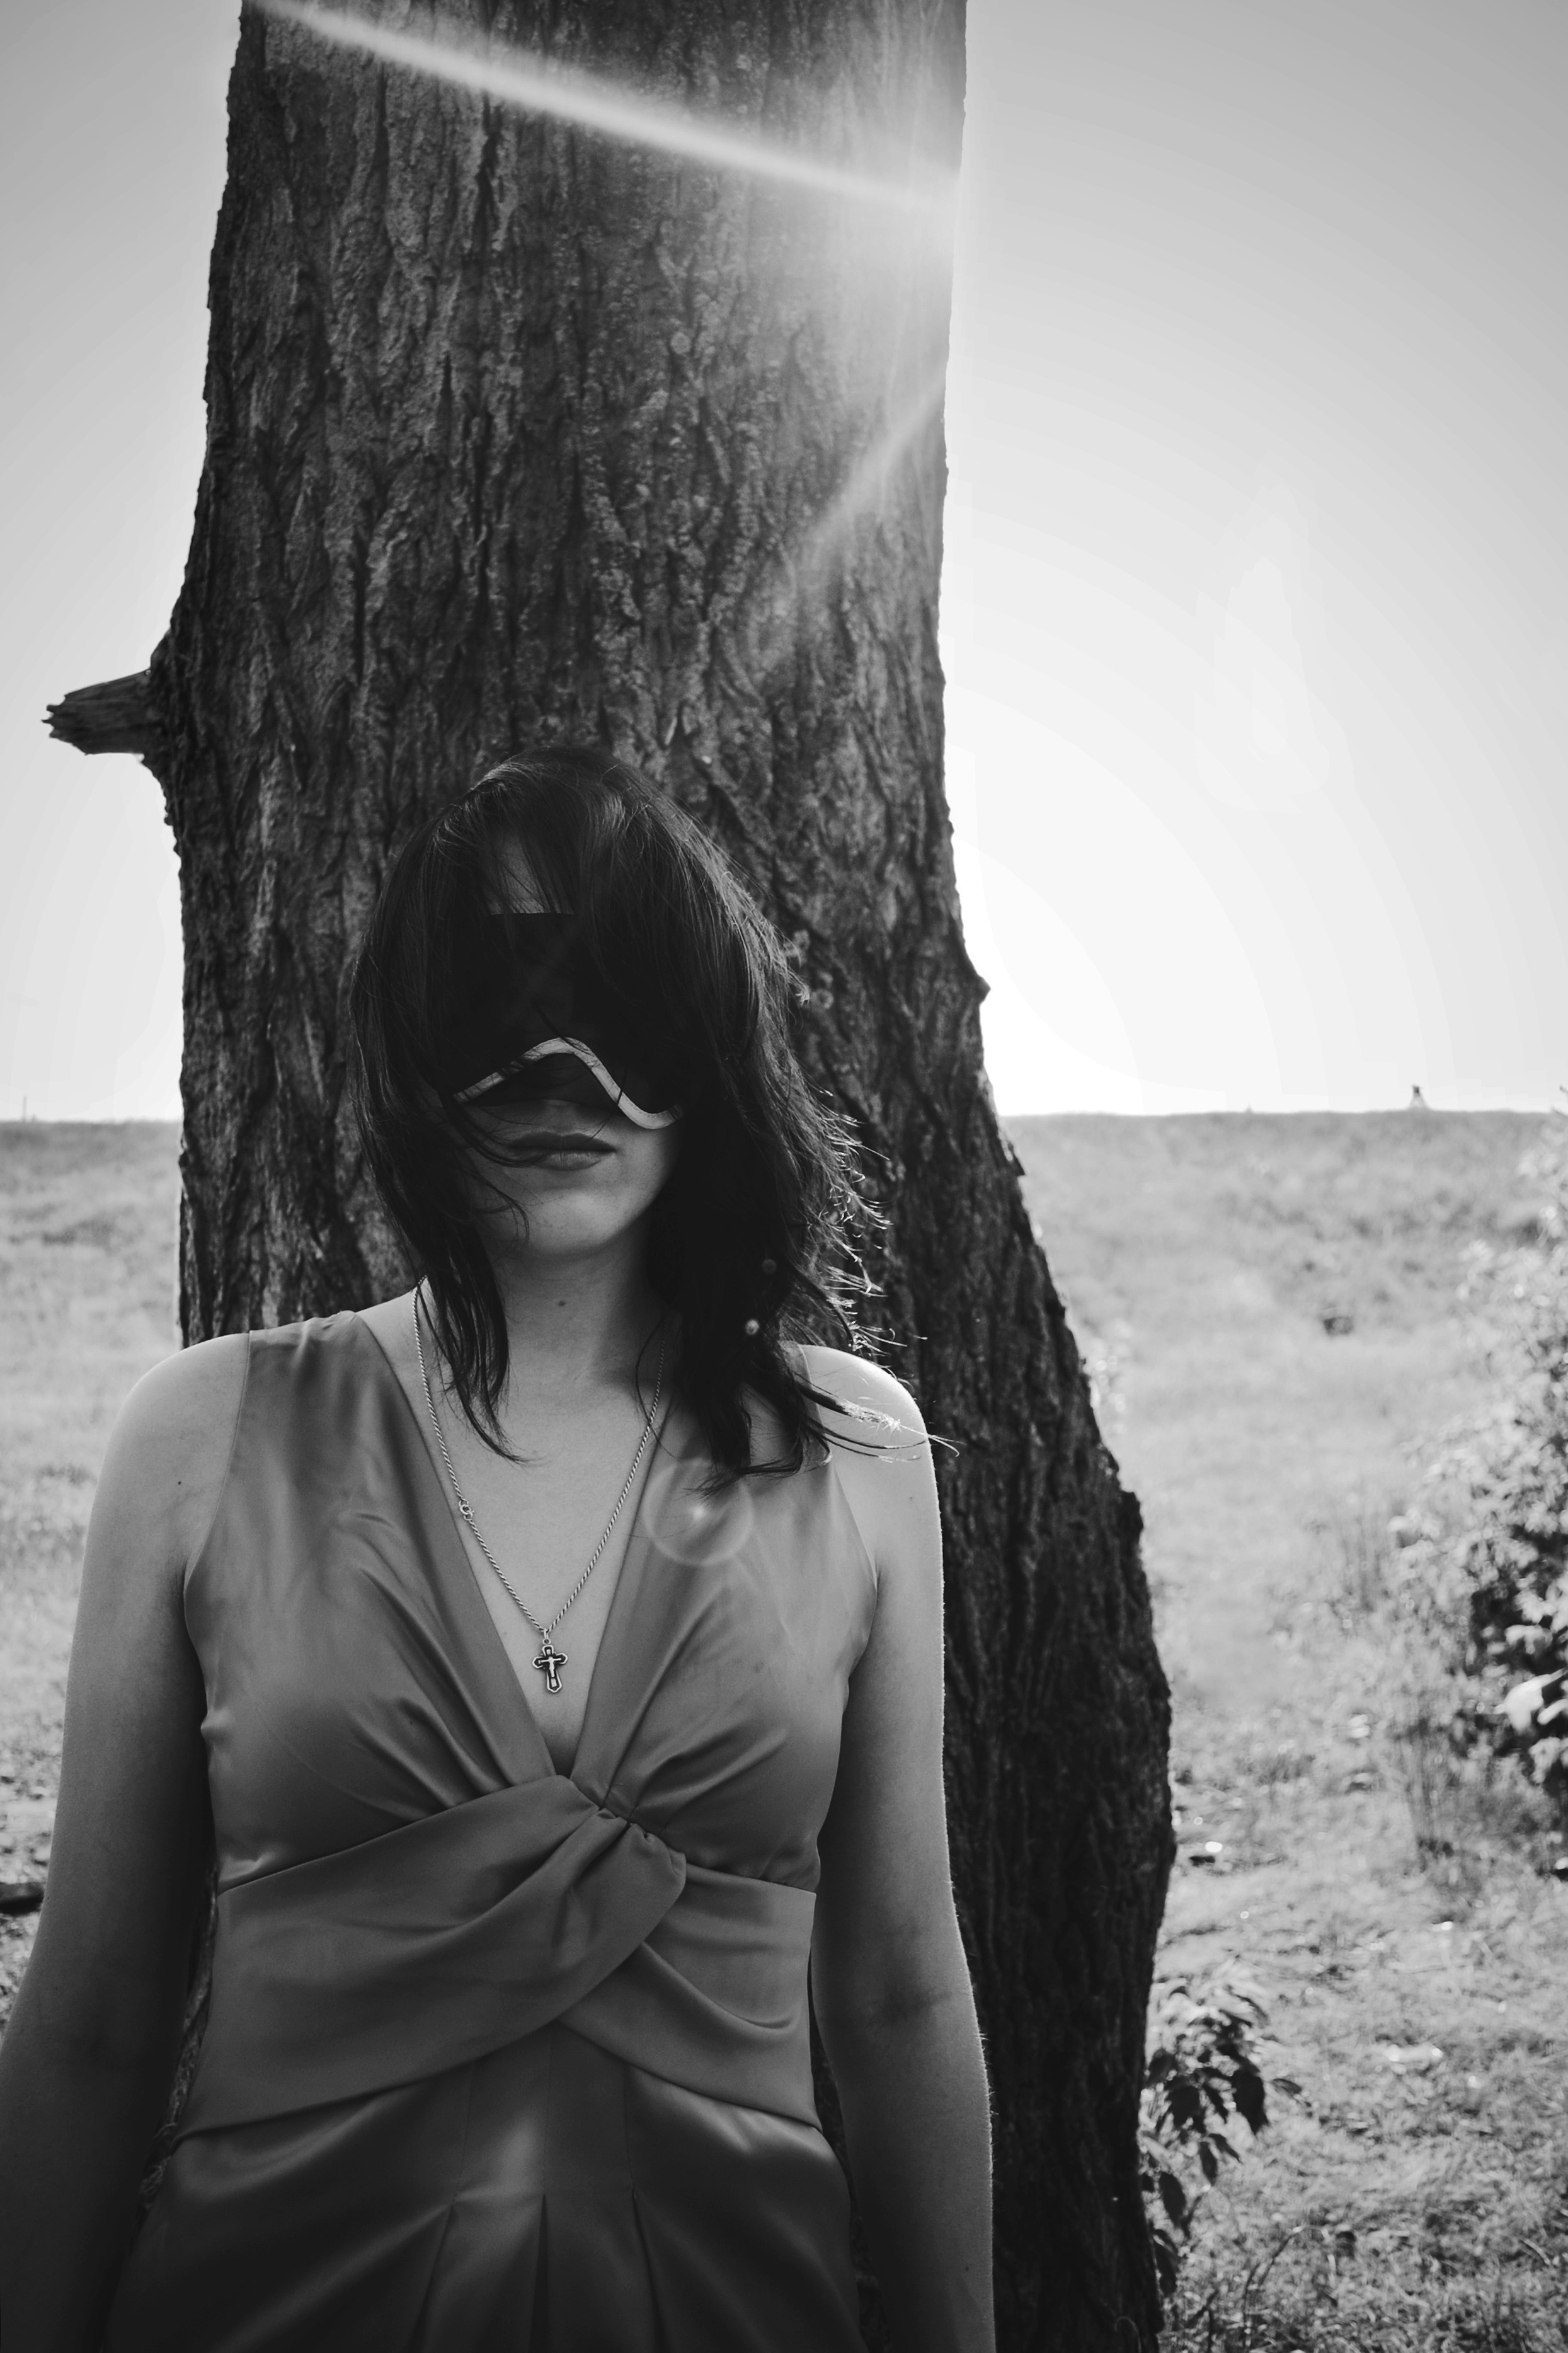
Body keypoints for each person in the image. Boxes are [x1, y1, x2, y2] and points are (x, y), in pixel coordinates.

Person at [0, 747, 995, 2350]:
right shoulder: (200, 1439)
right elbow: (98, 2022)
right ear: (408, 1048)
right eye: (496, 997)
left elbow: (894, 1992)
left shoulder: (856, 1455)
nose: (559, 1070)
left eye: (615, 995)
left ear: (712, 1041)